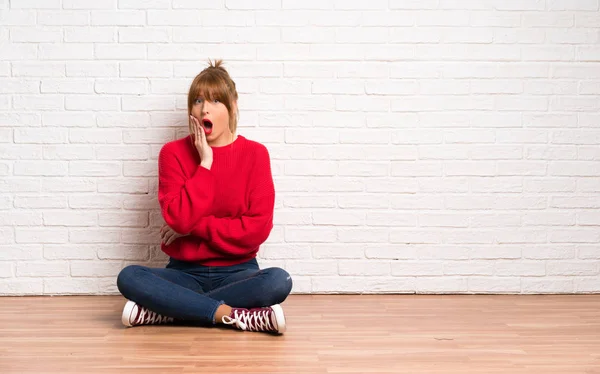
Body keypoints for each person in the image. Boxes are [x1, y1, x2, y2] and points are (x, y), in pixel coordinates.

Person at [116, 59, 292, 334]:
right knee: (129, 277)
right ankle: (233, 315)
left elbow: (256, 229)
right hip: (184, 273)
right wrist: (205, 163)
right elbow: (178, 219)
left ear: (233, 106)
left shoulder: (256, 155)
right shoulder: (172, 154)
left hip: (239, 273)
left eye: (215, 101)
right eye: (197, 100)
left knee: (279, 281)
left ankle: (169, 311)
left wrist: (195, 228)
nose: (204, 108)